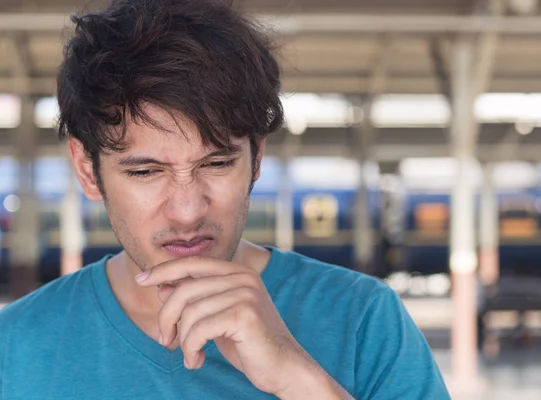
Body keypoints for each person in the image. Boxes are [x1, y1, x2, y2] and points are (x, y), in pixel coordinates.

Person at [0, 0, 450, 398]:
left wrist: (298, 380)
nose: (188, 209)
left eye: (216, 164)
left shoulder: (363, 319)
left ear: (256, 159)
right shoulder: (15, 346)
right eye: (145, 171)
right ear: (86, 170)